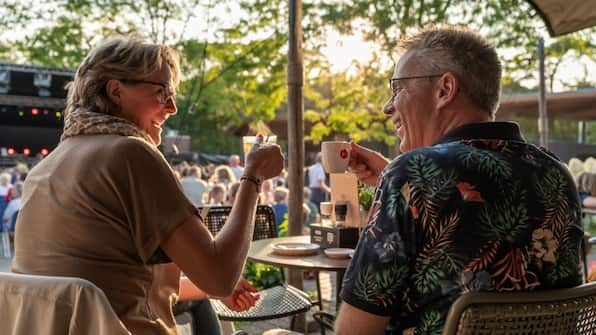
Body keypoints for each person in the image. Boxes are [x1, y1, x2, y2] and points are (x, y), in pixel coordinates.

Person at [12, 37, 284, 335]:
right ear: (116, 91)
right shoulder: (130, 154)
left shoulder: (44, 169)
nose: (172, 107)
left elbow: (102, 290)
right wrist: (253, 176)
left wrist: (209, 288)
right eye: (161, 91)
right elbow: (220, 276)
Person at [336, 26, 583, 335]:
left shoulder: (411, 174)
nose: (388, 107)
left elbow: (353, 331)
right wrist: (398, 184)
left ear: (445, 90)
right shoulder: (556, 173)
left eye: (398, 89)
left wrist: (401, 181)